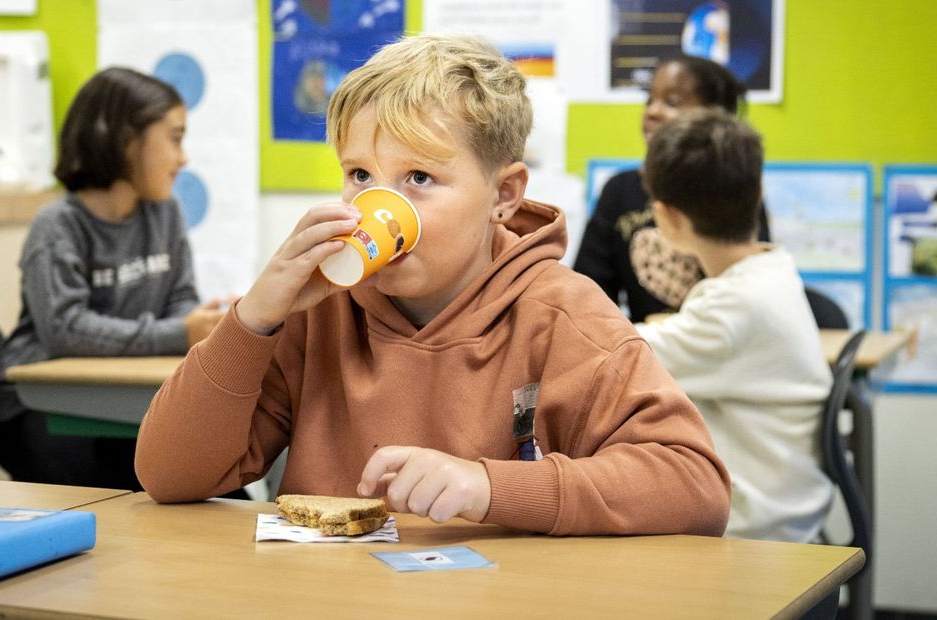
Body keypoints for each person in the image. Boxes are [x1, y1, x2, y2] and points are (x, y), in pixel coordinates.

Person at [135, 33, 730, 536]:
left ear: (503, 196)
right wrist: (253, 319)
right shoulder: (319, 310)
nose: (380, 204)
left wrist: (491, 487)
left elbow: (694, 485)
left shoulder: (561, 314)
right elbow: (168, 473)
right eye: (360, 174)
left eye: (419, 176)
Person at [0, 67, 229, 491]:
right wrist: (179, 332)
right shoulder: (57, 225)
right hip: (32, 406)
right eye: (174, 137)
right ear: (125, 139)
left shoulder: (164, 212)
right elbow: (65, 330)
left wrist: (192, 324)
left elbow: (181, 298)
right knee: (119, 497)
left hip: (115, 401)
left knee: (218, 491)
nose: (183, 157)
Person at [634, 108, 833, 542]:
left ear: (665, 218)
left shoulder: (732, 308)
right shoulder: (771, 269)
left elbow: (620, 352)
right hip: (785, 509)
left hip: (755, 530)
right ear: (759, 192)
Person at [574, 55, 771, 323]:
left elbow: (747, 279)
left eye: (672, 102)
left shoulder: (733, 188)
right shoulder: (620, 190)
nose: (652, 111)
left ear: (715, 119)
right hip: (649, 352)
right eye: (650, 100)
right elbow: (587, 294)